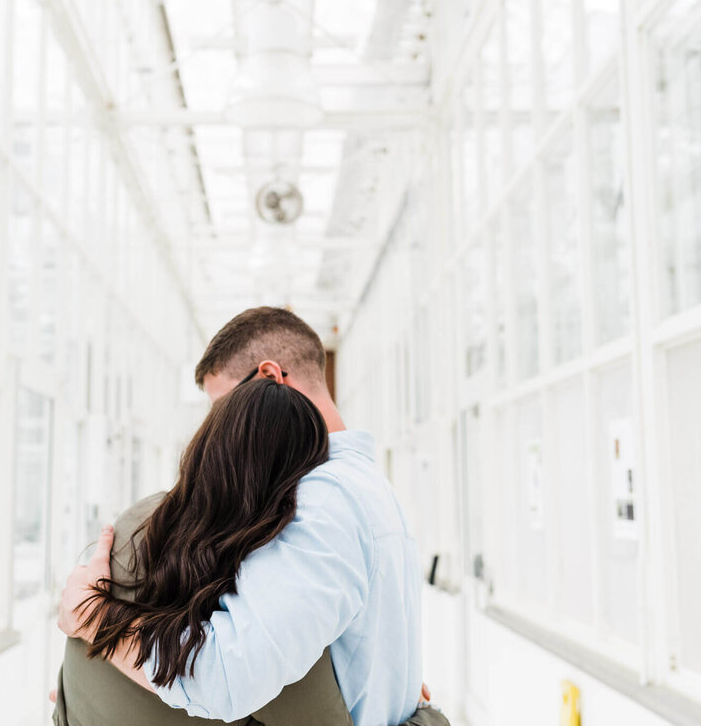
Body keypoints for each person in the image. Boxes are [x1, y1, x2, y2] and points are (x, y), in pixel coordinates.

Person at [59, 307, 427, 726]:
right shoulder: (367, 487)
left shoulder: (317, 501)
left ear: (270, 381)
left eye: (222, 408)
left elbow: (227, 676)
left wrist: (94, 618)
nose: (219, 428)